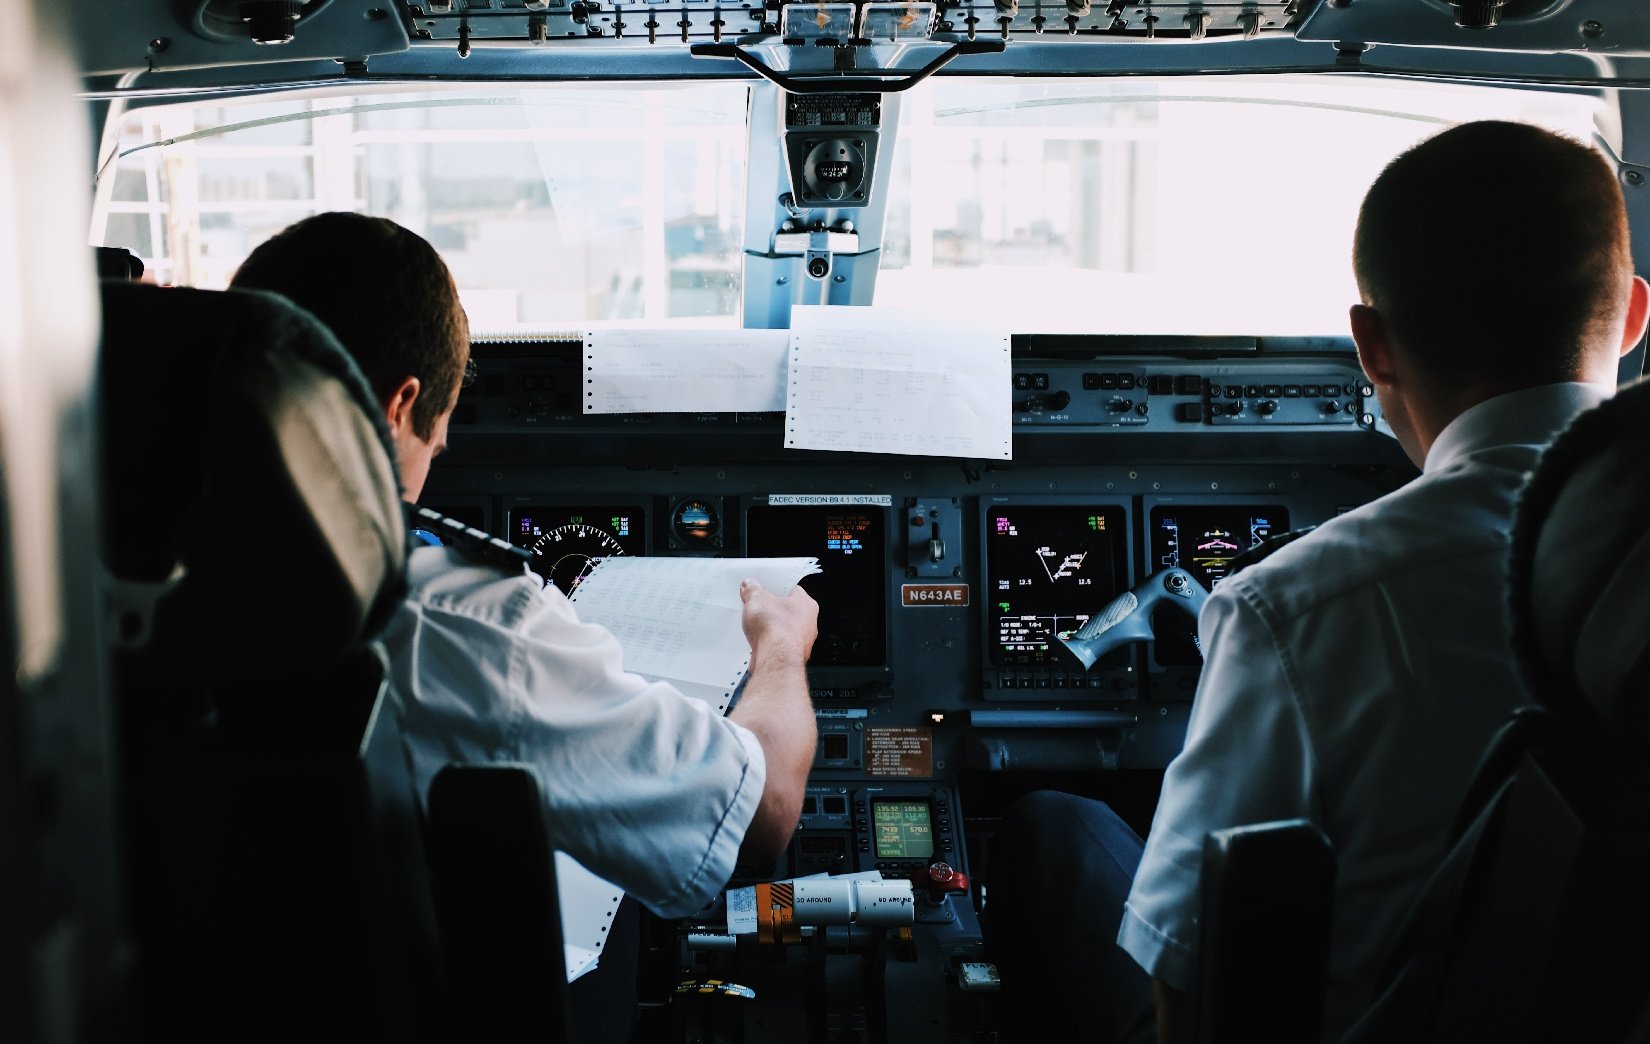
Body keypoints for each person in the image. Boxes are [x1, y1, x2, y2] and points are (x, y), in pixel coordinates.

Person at [986, 119, 1650, 1043]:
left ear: (1372, 347)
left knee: (1053, 825)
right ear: (1631, 317)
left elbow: (1194, 989)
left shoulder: (1296, 607)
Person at [230, 212, 820, 1036]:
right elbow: (761, 817)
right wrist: (781, 645)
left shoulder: (97, 575)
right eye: (439, 429)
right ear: (403, 404)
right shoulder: (460, 621)